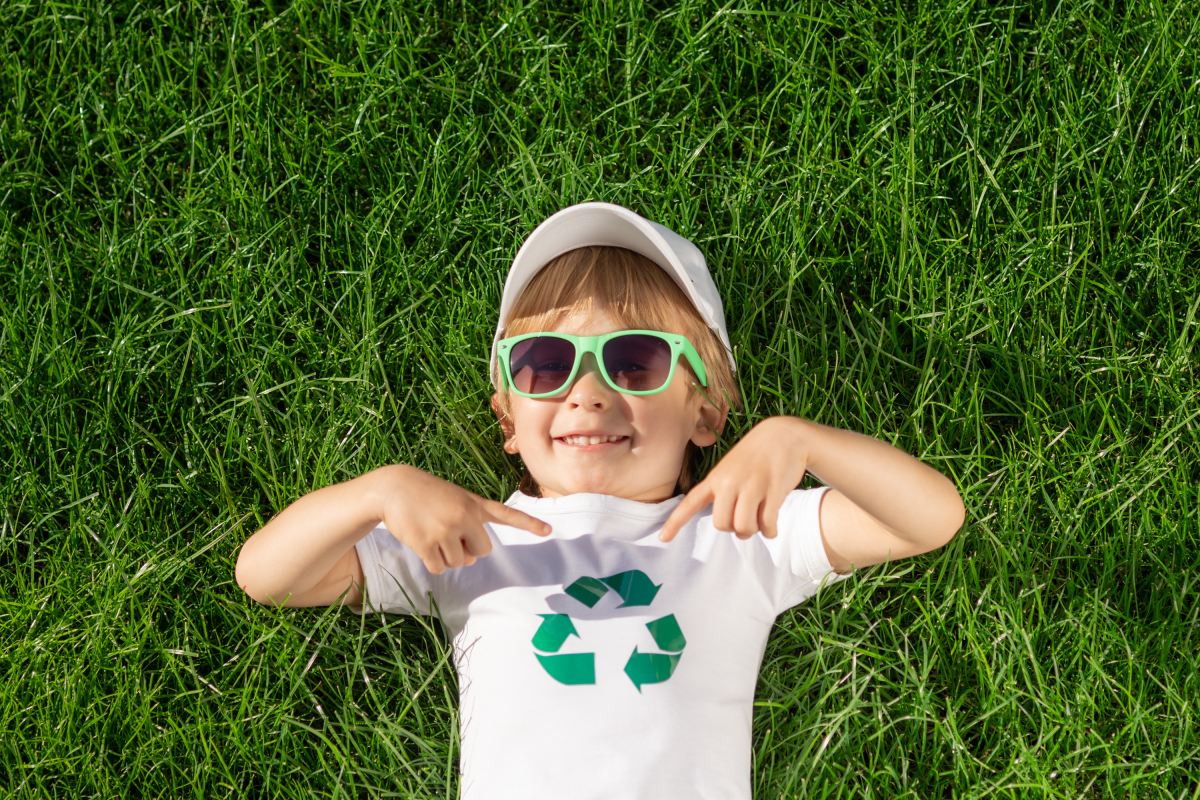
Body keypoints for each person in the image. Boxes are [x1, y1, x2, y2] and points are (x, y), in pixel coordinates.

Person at [235, 202, 964, 799]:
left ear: (706, 415)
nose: (587, 392)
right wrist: (377, 492)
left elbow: (930, 518)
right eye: (546, 365)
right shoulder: (465, 541)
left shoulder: (740, 533)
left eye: (634, 361)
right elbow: (270, 576)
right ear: (507, 423)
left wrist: (801, 443)